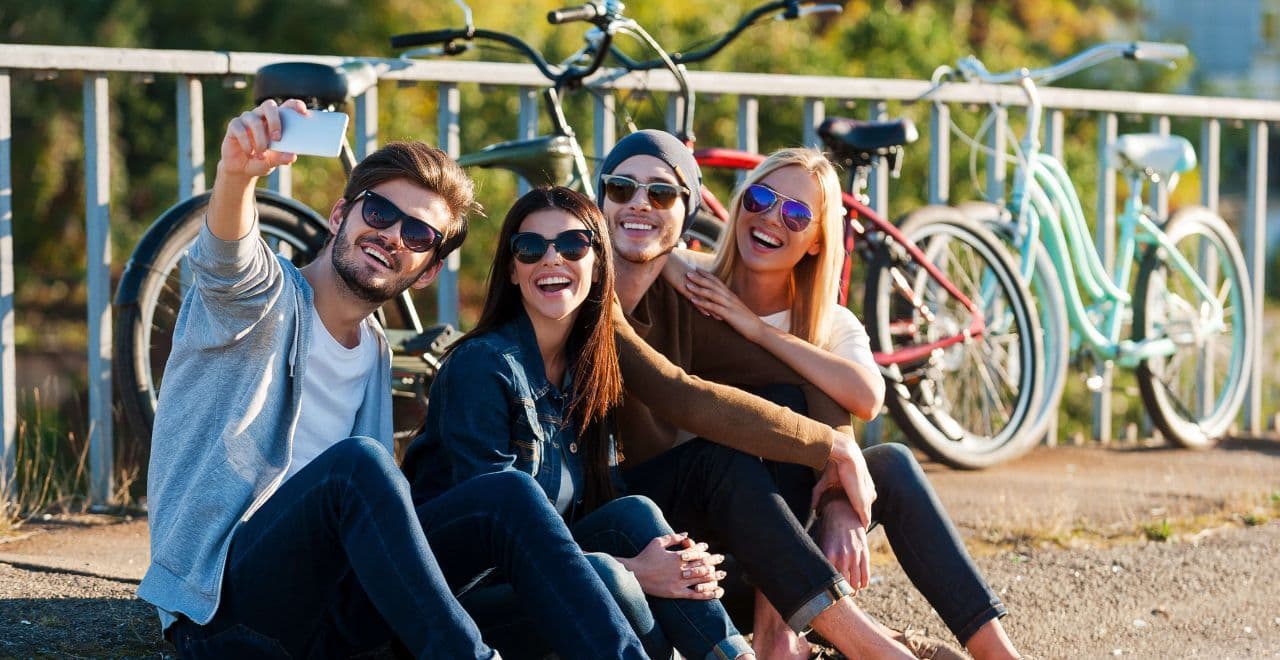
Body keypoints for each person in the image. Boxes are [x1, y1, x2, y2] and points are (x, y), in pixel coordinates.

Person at [137, 99, 647, 659]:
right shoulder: (263, 300)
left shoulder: (374, 351)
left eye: (419, 234)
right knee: (362, 465)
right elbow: (226, 261)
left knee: (508, 494)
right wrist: (236, 175)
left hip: (335, 613)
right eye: (379, 213)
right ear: (340, 216)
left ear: (427, 271)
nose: (392, 236)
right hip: (228, 611)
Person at [662, 147, 1022, 659]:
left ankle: (996, 653)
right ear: (740, 203)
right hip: (700, 541)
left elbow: (868, 397)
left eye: (795, 214)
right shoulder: (691, 278)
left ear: (816, 243)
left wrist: (757, 331)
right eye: (761, 198)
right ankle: (804, 642)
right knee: (779, 401)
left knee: (892, 463)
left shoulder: (830, 324)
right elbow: (636, 246)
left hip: (788, 555)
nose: (770, 219)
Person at [590, 129, 918, 658]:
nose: (638, 205)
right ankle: (862, 643)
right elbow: (681, 395)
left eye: (661, 194)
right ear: (600, 199)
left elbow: (807, 383)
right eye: (621, 188)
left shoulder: (682, 295)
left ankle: (785, 637)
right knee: (719, 459)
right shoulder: (587, 289)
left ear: (687, 213)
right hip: (590, 520)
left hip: (670, 524)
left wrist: (837, 487)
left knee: (853, 440)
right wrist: (831, 450)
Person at [403, 186, 756, 660]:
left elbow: (597, 516)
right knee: (610, 576)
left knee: (635, 515)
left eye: (573, 245)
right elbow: (495, 535)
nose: (552, 259)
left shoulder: (588, 372)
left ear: (597, 262)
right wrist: (634, 568)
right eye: (531, 248)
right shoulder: (481, 367)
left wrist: (670, 564)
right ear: (512, 269)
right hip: (461, 603)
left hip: (549, 584)